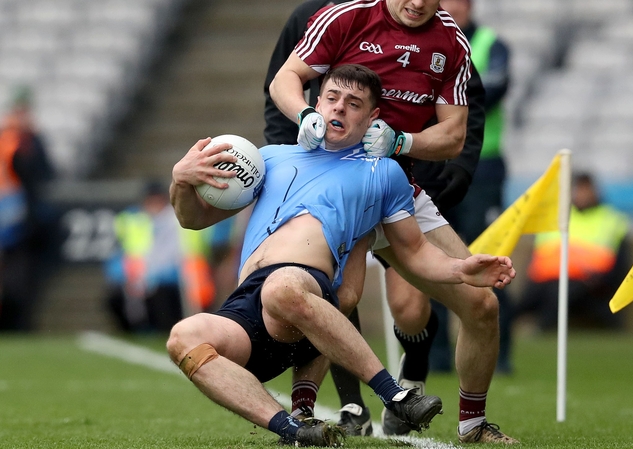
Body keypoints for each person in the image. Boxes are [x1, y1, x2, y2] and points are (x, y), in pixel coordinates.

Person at [167, 64, 515, 447]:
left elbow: (415, 252)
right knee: (183, 337)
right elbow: (193, 218)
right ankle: (295, 429)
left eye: (353, 104)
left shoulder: (383, 173)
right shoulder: (269, 158)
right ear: (317, 103)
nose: (339, 109)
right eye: (332, 99)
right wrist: (181, 180)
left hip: (306, 292)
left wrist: (461, 269)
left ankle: (395, 395)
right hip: (250, 304)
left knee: (282, 287)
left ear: (372, 118)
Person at [270, 1, 518, 444]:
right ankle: (304, 414)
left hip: (395, 185)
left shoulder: (452, 41)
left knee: (481, 305)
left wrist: (403, 141)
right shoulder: (345, 17)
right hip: (331, 184)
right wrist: (303, 115)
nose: (417, 3)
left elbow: (454, 136)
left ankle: (473, 426)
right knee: (333, 297)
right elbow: (285, 79)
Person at [431, 0, 513, 374]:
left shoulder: (491, 43)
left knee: (490, 256)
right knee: (432, 257)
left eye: (458, 3)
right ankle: (437, 357)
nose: (452, 9)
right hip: (436, 162)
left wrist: (446, 93)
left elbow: (494, 88)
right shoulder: (429, 41)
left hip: (483, 164)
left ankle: (501, 353)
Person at [515, 172, 630, 331]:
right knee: (527, 299)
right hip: (548, 277)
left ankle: (542, 327)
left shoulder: (612, 219)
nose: (582, 195)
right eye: (579, 189)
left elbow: (619, 264)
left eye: (586, 190)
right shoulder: (557, 217)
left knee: (560, 293)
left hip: (589, 282)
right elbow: (540, 252)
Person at [105, 182, 219, 333]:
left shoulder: (177, 218)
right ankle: (140, 328)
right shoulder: (133, 220)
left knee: (167, 296)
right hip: (143, 275)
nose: (154, 205)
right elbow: (122, 253)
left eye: (157, 200)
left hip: (180, 275)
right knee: (120, 295)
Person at [0, 86, 56, 331]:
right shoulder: (8, 139)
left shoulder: (31, 142)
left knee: (21, 281)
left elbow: (42, 175)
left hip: (22, 223)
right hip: (10, 215)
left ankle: (19, 324)